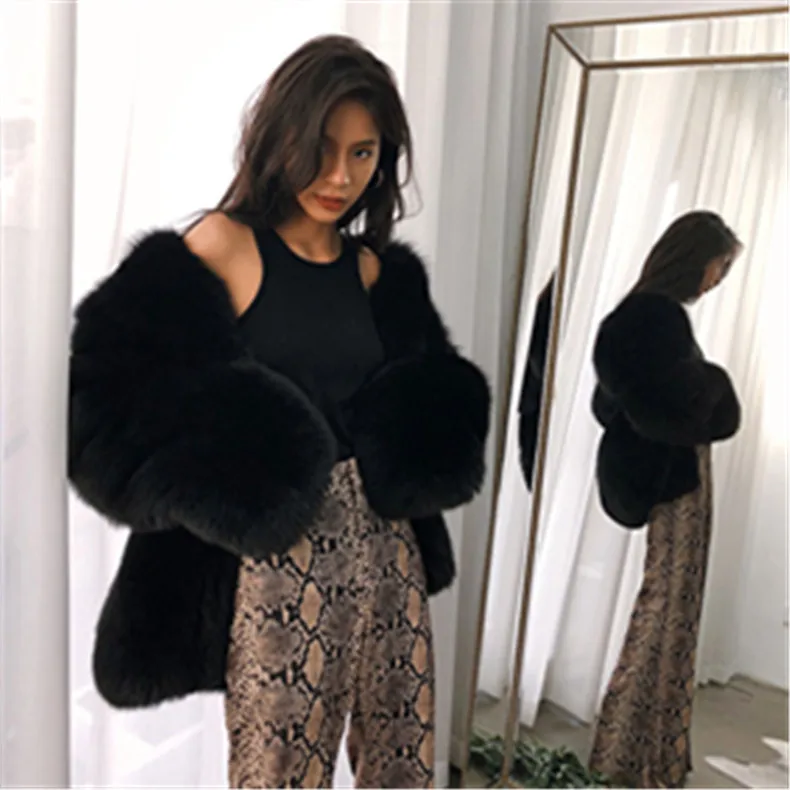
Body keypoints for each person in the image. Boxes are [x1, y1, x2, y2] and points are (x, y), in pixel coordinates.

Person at [68, 35, 490, 789]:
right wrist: (231, 490)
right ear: (280, 136)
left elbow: (437, 406)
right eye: (321, 149)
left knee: (404, 760)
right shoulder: (224, 245)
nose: (340, 176)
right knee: (280, 771)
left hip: (387, 551)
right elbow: (105, 404)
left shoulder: (376, 272)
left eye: (363, 153)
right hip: (282, 559)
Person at [588, 211, 743, 788]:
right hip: (672, 480)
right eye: (718, 266)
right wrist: (716, 393)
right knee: (667, 610)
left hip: (670, 476)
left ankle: (645, 753)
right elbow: (650, 405)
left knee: (672, 610)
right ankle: (627, 756)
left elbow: (617, 401)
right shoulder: (652, 316)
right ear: (695, 257)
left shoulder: (646, 313)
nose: (717, 279)